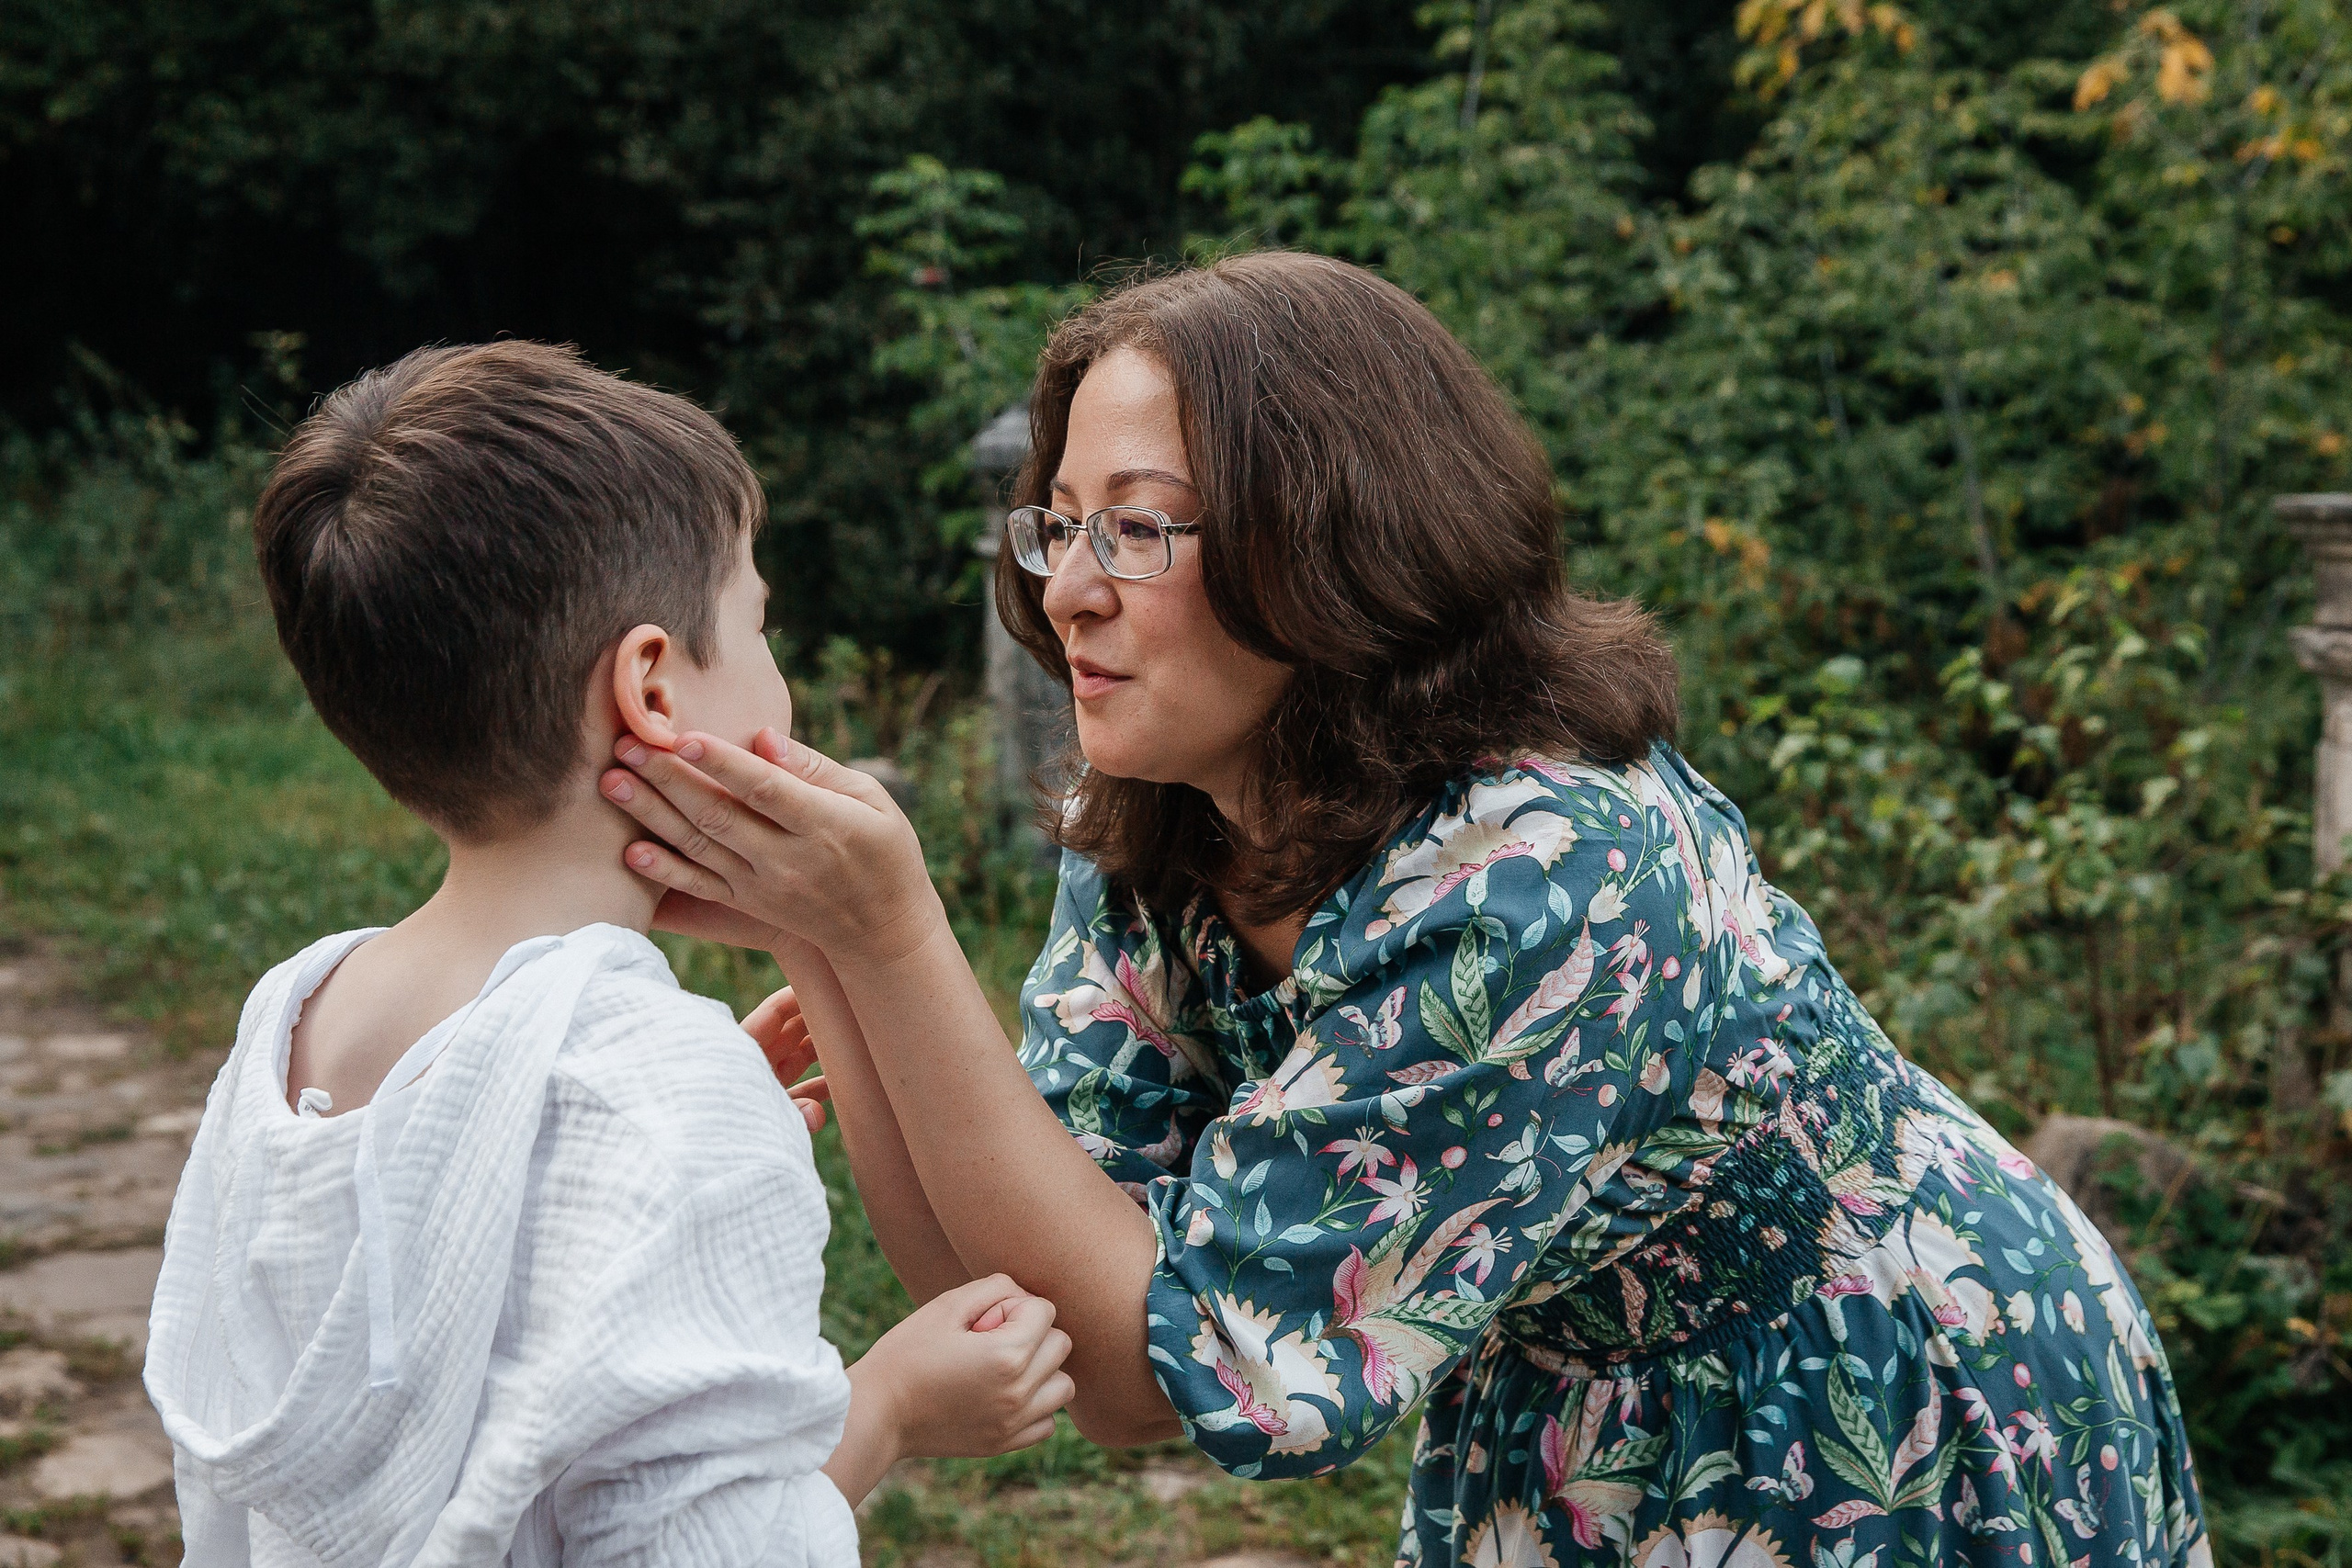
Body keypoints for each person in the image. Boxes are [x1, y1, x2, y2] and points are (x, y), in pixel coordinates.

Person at [602, 254, 2211, 1568]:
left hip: (1878, 1398)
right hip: (1572, 1410)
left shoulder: (1543, 877)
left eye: (1141, 527)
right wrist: (828, 936)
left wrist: (894, 937)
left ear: (1334, 535)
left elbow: (1179, 1370)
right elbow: (1035, 1312)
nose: (1067, 587)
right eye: (1063, 521)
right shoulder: (1162, 819)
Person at [144, 342, 1073, 1568]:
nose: (779, 668)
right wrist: (890, 1406)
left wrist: (637, 1132)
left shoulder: (300, 1012)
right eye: (759, 623)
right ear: (652, 686)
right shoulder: (660, 1097)